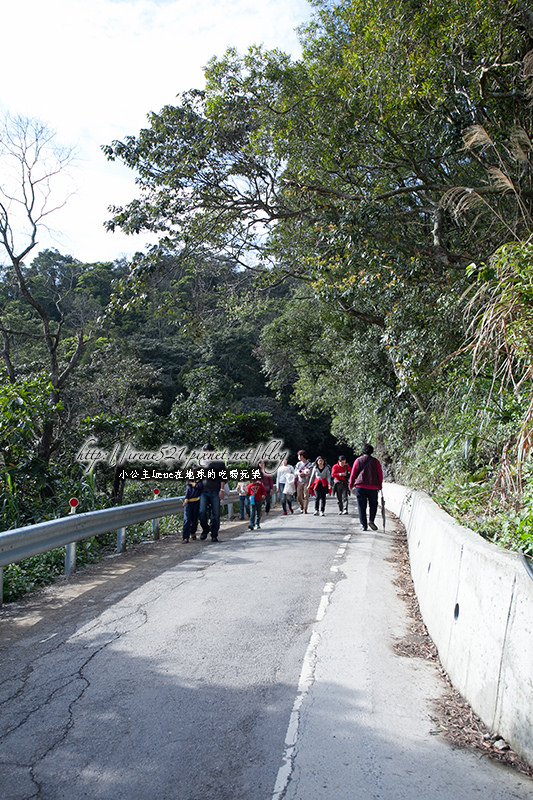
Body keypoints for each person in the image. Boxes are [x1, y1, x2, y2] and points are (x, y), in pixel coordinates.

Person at [348, 443, 383, 531]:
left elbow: (353, 474)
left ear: (363, 451)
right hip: (373, 487)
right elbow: (380, 474)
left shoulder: (358, 460)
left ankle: (364, 525)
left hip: (360, 486)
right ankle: (371, 520)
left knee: (361, 506)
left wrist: (350, 485)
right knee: (373, 504)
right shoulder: (376, 461)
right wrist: (380, 485)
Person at [198, 444, 226, 542]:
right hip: (203, 491)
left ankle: (214, 534)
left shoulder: (220, 463)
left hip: (215, 491)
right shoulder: (201, 462)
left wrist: (221, 490)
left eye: (207, 451)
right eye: (204, 451)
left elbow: (223, 478)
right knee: (201, 512)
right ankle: (205, 529)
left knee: (216, 513)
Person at [181, 465, 202, 543]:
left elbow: (200, 486)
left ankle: (193, 532)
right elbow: (188, 491)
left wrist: (193, 484)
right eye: (194, 470)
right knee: (187, 520)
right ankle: (185, 537)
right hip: (189, 502)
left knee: (194, 520)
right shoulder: (189, 479)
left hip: (197, 501)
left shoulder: (201, 479)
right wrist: (186, 500)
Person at [294, 449, 313, 514]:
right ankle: (301, 506)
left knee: (306, 496)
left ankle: (305, 509)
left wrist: (306, 473)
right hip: (299, 481)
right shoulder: (298, 464)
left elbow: (311, 472)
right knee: (299, 496)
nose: (298, 457)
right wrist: (299, 473)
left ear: (302, 456)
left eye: (299, 456)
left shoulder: (309, 464)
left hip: (306, 481)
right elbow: (295, 471)